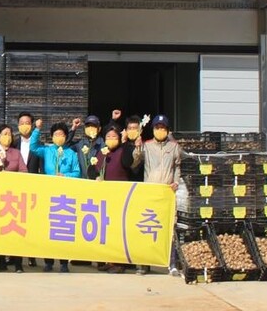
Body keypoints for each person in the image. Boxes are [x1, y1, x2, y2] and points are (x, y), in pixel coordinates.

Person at [86, 123, 141, 274]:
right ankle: (108, 260)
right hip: (104, 198)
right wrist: (95, 176)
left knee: (119, 229)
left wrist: (125, 144)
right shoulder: (102, 152)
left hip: (121, 197)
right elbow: (92, 167)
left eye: (114, 137)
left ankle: (119, 262)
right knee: (107, 230)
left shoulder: (124, 150)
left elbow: (127, 163)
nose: (111, 139)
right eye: (108, 137)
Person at [29, 119, 82, 273]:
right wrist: (37, 129)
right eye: (56, 134)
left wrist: (65, 176)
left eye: (61, 134)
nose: (59, 136)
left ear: (66, 137)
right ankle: (49, 262)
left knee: (63, 229)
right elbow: (33, 147)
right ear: (52, 137)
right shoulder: (47, 150)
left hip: (65, 195)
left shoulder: (71, 153)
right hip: (49, 193)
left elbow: (77, 172)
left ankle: (64, 263)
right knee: (48, 229)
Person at [133, 114, 182, 277]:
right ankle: (144, 264)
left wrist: (176, 182)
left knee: (169, 228)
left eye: (163, 128)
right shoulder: (146, 146)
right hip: (150, 191)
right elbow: (135, 163)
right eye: (157, 128)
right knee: (147, 227)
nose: (160, 130)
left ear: (167, 130)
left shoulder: (174, 146)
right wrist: (137, 148)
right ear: (153, 129)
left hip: (167, 192)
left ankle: (172, 263)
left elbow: (177, 167)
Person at [0, 124, 27, 273]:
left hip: (14, 197)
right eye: (4, 134)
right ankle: (0, 261)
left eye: (9, 134)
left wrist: (9, 173)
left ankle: (18, 262)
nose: (7, 136)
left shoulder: (16, 153)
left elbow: (23, 172)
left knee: (15, 230)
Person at [13, 112, 41, 267]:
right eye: (22, 122)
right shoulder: (14, 143)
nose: (24, 125)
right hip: (15, 188)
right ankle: (14, 255)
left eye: (27, 123)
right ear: (18, 125)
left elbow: (41, 167)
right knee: (15, 222)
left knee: (30, 224)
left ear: (32, 125)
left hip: (32, 187)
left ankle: (31, 255)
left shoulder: (38, 144)